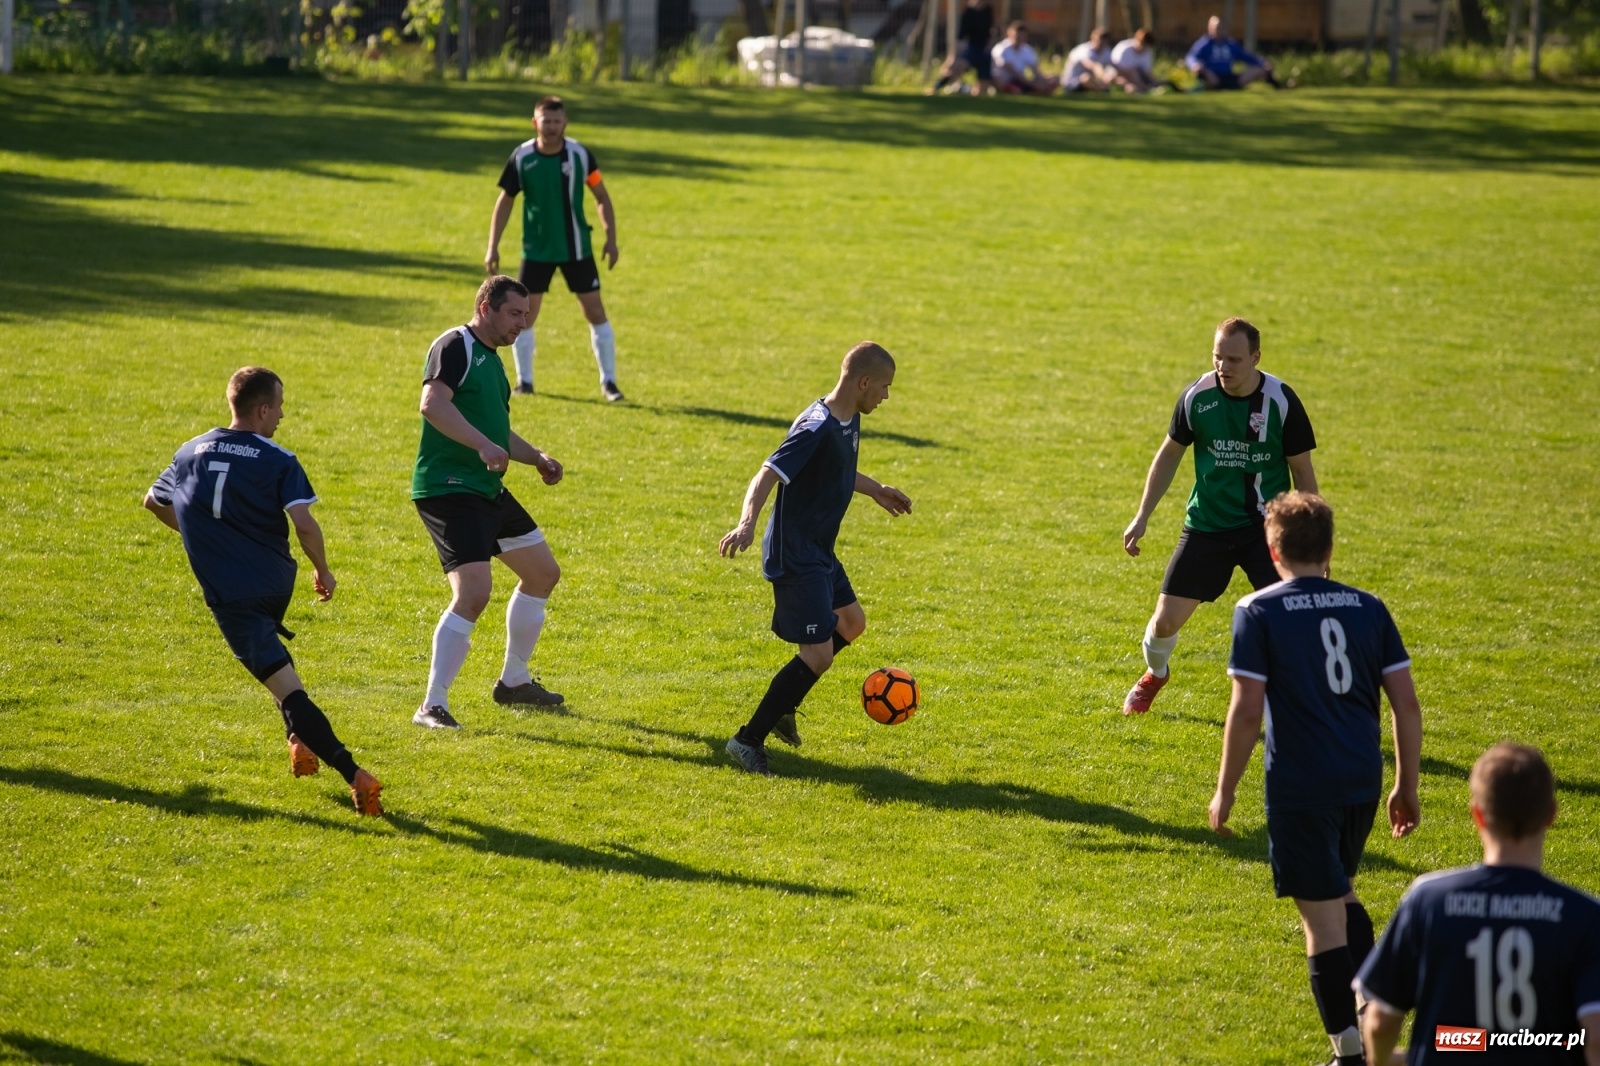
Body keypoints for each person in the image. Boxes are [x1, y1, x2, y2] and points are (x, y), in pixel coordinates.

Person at [1209, 491, 1423, 1066]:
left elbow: (1247, 710)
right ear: (1330, 549)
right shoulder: (1369, 607)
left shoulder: (1257, 610)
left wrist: (1225, 790)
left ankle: (1350, 1055)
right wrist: (1407, 784)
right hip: (1362, 778)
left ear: (1272, 549)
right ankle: (1376, 1014)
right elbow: (1406, 704)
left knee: (1321, 919)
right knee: (1341, 890)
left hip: (1302, 785)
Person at [143, 368, 383, 817]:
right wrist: (323, 570)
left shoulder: (189, 450)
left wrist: (202, 536)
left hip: (234, 595)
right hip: (274, 582)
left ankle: (355, 774)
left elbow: (155, 502)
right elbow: (304, 525)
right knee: (273, 665)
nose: (283, 416)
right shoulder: (277, 457)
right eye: (280, 406)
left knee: (287, 689)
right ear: (262, 409)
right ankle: (298, 743)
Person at [718, 343, 913, 775]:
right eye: (884, 387)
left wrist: (877, 489)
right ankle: (746, 740)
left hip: (820, 548)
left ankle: (786, 705)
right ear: (863, 382)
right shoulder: (816, 426)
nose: (885, 396)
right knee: (819, 654)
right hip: (795, 554)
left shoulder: (849, 419)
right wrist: (747, 522)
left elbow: (837, 469)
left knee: (852, 623)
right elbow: (767, 472)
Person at [1121, 316, 1318, 715]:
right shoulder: (1198, 397)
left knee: (1293, 621)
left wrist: (1313, 545)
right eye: (1217, 357)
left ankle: (1300, 705)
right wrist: (1142, 516)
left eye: (1233, 359)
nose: (1223, 367)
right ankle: (1155, 674)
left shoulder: (1281, 402)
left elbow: (1303, 473)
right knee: (1164, 623)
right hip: (1208, 525)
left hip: (1267, 528)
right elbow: (1170, 454)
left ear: (1255, 358)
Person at [1357, 743, 1600, 1066]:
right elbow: (1593, 1036)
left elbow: (1381, 1020)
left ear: (1478, 815)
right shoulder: (1584, 916)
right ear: (1551, 814)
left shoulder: (1428, 901)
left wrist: (1386, 1060)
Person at [412, 276, 568, 730]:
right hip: (449, 487)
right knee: (474, 593)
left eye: (526, 314)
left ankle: (514, 681)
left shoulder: (493, 362)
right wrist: (482, 446)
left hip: (485, 488)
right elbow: (432, 404)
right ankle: (432, 705)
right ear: (486, 307)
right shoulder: (455, 345)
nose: (524, 322)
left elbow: (496, 432)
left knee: (542, 574)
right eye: (515, 314)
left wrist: (535, 457)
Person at [485, 95, 624, 403]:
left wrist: (610, 237)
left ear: (565, 123)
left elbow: (601, 195)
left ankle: (610, 382)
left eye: (556, 121)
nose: (551, 127)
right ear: (535, 122)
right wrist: (492, 246)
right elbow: (505, 200)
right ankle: (525, 382)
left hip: (577, 250)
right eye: (545, 121)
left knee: (595, 311)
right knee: (525, 316)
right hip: (536, 252)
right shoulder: (522, 157)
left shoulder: (580, 156)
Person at [1185, 15, 1282, 89]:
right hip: (1213, 76)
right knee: (1205, 73)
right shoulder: (1204, 44)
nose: (1219, 30)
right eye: (1217, 28)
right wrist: (1195, 65)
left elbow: (1247, 57)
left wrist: (1263, 62)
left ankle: (1276, 85)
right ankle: (1210, 86)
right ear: (1209, 28)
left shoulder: (1231, 44)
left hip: (1229, 76)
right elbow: (1191, 57)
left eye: (1221, 27)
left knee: (1259, 69)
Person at [931, 0, 996, 93]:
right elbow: (960, 36)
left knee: (983, 86)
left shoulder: (988, 9)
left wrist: (990, 46)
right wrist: (952, 56)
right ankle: (936, 87)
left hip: (984, 50)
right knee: (955, 69)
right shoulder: (968, 12)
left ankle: (968, 92)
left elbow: (992, 29)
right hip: (972, 48)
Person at [990, 22, 1058, 95]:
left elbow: (1034, 69)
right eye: (1017, 36)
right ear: (1009, 34)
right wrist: (1031, 83)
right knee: (1006, 84)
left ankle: (1036, 90)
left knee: (1054, 79)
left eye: (1022, 36)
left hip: (1021, 80)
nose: (1019, 38)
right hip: (1006, 80)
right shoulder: (1001, 49)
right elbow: (1013, 71)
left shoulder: (1027, 50)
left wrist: (1043, 80)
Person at [1062, 27, 1124, 93]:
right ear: (1092, 39)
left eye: (1104, 42)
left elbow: (1112, 67)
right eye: (1099, 41)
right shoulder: (1083, 50)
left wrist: (1114, 77)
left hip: (1093, 80)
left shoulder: (1106, 51)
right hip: (1073, 83)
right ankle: (1103, 90)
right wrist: (1104, 76)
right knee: (1086, 77)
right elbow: (1093, 66)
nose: (1101, 44)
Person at [1111, 28, 1168, 92]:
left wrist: (1153, 80)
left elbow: (1146, 71)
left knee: (1151, 79)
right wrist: (1137, 81)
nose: (1144, 48)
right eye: (1143, 45)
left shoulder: (1148, 51)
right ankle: (1144, 89)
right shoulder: (1124, 49)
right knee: (1132, 76)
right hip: (1118, 74)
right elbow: (1118, 69)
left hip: (1138, 76)